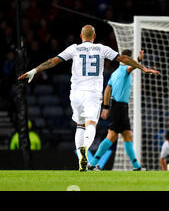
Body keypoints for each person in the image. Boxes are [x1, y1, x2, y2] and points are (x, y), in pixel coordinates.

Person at [18, 25, 157, 171]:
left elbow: (53, 61)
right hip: (92, 93)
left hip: (76, 93)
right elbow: (123, 58)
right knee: (91, 124)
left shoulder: (74, 49)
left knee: (80, 125)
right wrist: (143, 67)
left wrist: (34, 70)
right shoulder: (102, 49)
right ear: (94, 36)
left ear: (81, 35)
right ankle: (85, 148)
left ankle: (81, 159)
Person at [88, 49, 160, 171]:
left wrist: (105, 107)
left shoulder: (114, 73)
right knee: (111, 136)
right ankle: (92, 164)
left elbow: (107, 90)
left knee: (127, 135)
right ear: (128, 59)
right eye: (131, 59)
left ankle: (137, 167)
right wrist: (140, 62)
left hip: (119, 107)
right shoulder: (124, 70)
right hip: (119, 108)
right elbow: (131, 67)